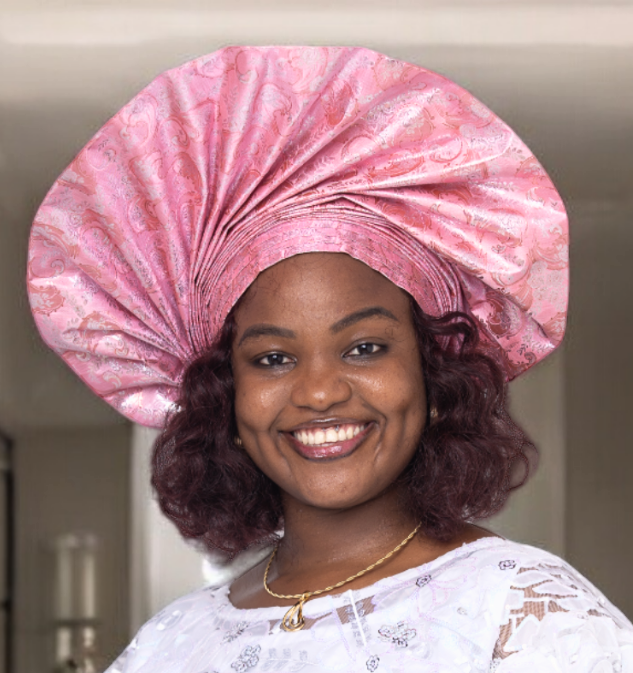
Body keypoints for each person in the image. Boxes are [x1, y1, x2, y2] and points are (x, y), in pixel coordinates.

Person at [27, 46, 633, 672]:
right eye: (271, 359)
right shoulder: (169, 644)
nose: (318, 392)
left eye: (365, 347)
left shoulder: (524, 614)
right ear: (223, 396)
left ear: (432, 373)